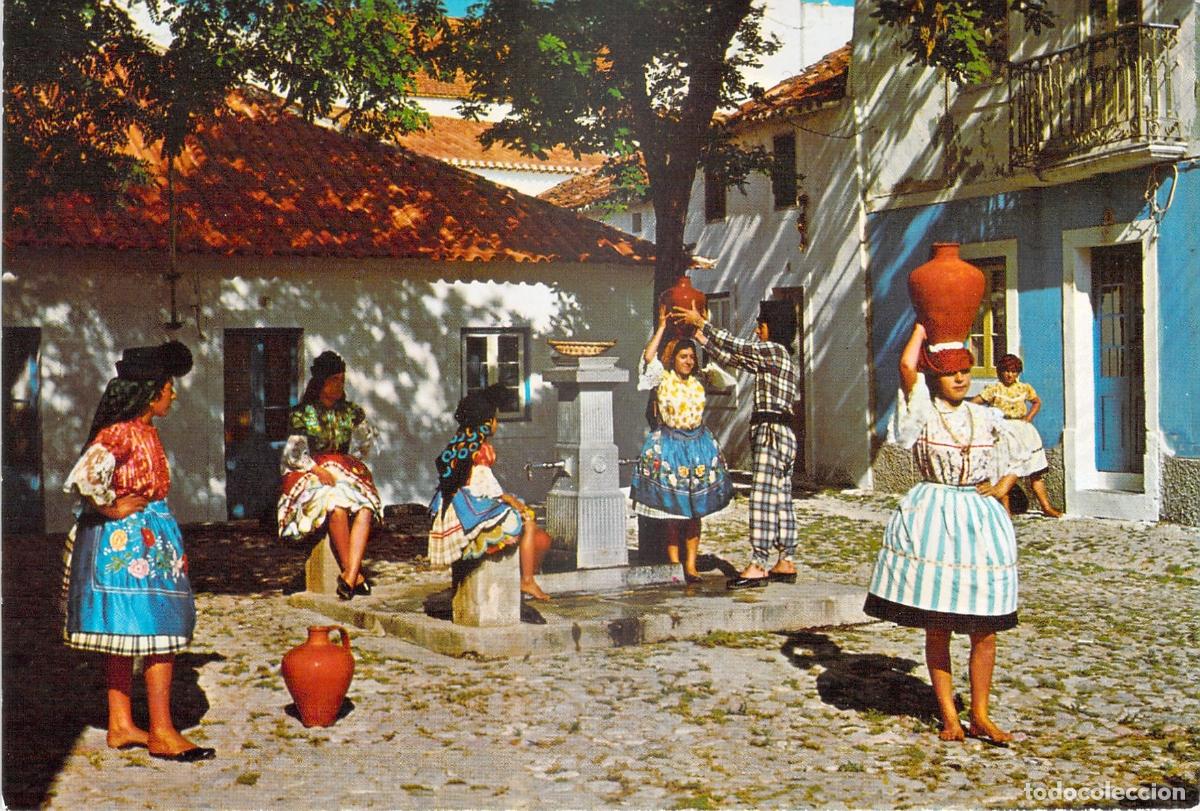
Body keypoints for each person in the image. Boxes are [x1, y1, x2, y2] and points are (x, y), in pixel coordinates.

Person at [864, 322, 1027, 745]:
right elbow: (905, 365)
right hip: (936, 517)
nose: (959, 378)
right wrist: (925, 324)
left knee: (984, 626)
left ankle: (982, 715)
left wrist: (1004, 484)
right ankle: (950, 717)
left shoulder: (984, 414)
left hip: (978, 520)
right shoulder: (923, 411)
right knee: (938, 624)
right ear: (934, 377)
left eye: (965, 371)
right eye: (950, 371)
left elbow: (1020, 450)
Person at [62, 340, 216, 762]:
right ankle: (162, 731)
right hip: (129, 542)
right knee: (156, 630)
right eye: (169, 387)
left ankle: (121, 724)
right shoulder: (123, 432)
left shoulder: (142, 430)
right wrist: (111, 506)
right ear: (151, 391)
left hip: (144, 537)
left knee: (127, 633)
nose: (174, 393)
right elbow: (86, 473)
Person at [672, 299, 800, 589]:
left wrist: (701, 322)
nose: (757, 330)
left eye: (761, 325)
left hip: (770, 431)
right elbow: (734, 359)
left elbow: (738, 347)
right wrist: (699, 337)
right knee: (781, 498)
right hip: (784, 433)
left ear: (774, 327)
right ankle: (786, 559)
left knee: (763, 497)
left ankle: (758, 563)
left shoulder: (773, 351)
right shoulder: (781, 358)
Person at [631, 306, 734, 583]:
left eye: (691, 357)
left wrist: (702, 332)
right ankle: (675, 565)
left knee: (694, 511)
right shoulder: (663, 378)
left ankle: (691, 565)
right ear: (673, 358)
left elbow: (727, 377)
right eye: (683, 356)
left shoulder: (700, 380)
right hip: (671, 446)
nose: (688, 361)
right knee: (674, 511)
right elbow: (648, 356)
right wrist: (663, 327)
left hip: (698, 445)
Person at [428, 384, 551, 601]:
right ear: (487, 423)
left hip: (454, 506)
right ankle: (528, 581)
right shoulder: (480, 450)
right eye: (495, 419)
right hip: (469, 509)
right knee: (528, 521)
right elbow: (486, 487)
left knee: (530, 525)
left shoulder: (460, 445)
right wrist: (510, 500)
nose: (497, 423)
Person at [277, 351, 381, 601]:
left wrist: (353, 460)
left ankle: (350, 574)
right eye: (334, 380)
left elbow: (366, 441)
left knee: (366, 507)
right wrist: (317, 469)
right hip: (312, 469)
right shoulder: (304, 413)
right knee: (335, 506)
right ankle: (354, 575)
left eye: (342, 381)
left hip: (342, 468)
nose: (339, 386)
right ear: (321, 382)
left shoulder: (350, 412)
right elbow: (295, 453)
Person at [972, 353, 1062, 518]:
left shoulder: (1024, 388)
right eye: (1006, 371)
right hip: (1003, 432)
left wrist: (1028, 417)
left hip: (1023, 431)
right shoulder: (994, 389)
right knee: (1002, 470)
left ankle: (1046, 506)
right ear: (1000, 372)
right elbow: (974, 403)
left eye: (1013, 371)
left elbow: (1037, 402)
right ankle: (1005, 511)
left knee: (1035, 470)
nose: (1010, 375)